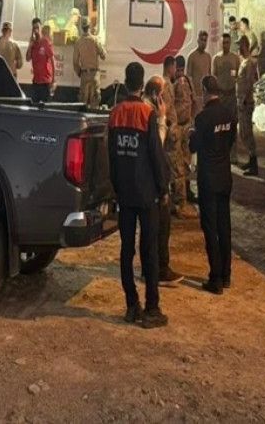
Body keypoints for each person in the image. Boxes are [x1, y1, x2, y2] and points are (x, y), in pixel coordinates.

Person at [108, 62, 170, 327]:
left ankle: (131, 305)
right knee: (149, 250)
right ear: (142, 85)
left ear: (125, 82)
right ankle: (152, 308)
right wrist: (163, 188)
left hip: (125, 193)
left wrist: (116, 188)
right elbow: (156, 155)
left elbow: (112, 156)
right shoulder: (147, 114)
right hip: (147, 194)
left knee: (126, 250)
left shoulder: (115, 114)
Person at [190, 75, 235, 293]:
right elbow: (230, 142)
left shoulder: (203, 118)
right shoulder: (229, 114)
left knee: (210, 227)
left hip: (208, 178)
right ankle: (226, 274)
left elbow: (193, 147)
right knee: (224, 225)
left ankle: (215, 277)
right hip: (225, 176)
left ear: (205, 91)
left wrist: (192, 134)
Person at [145, 75, 181, 284]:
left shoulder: (144, 110)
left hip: (147, 179)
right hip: (154, 180)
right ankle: (160, 269)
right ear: (155, 95)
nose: (167, 98)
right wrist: (162, 120)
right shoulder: (151, 114)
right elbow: (156, 148)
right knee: (161, 225)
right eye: (164, 94)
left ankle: (150, 268)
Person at [171, 55, 197, 215]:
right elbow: (193, 102)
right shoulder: (186, 81)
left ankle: (182, 194)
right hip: (184, 125)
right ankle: (183, 193)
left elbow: (188, 103)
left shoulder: (179, 83)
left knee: (181, 162)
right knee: (183, 161)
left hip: (181, 126)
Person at [236, 36, 260, 176]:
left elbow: (249, 82)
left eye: (239, 45)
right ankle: (251, 160)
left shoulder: (249, 63)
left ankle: (254, 165)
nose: (238, 48)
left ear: (244, 45)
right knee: (243, 133)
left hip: (246, 103)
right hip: (242, 102)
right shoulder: (244, 62)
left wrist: (243, 100)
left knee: (247, 133)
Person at [213, 33, 241, 137]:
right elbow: (214, 76)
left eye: (227, 42)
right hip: (221, 95)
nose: (225, 45)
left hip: (232, 95)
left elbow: (238, 75)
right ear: (220, 44)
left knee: (232, 120)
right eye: (223, 43)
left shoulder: (235, 58)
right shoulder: (216, 59)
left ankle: (232, 142)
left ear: (230, 43)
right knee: (220, 121)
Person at [72, 21, 105, 108]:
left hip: (84, 74)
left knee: (82, 103)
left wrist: (79, 73)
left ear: (81, 28)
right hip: (94, 75)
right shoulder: (95, 40)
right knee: (95, 102)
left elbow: (75, 62)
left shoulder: (78, 42)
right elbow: (103, 56)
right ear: (89, 27)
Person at [26, 22, 54, 102]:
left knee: (45, 105)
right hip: (36, 81)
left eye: (37, 28)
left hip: (45, 81)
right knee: (34, 105)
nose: (36, 30)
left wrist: (53, 79)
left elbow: (52, 61)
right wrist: (30, 46)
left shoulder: (45, 42)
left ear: (40, 29)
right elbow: (28, 58)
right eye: (34, 28)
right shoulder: (33, 44)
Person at [186, 30, 212, 115]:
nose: (203, 43)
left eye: (205, 40)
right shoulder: (192, 56)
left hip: (206, 96)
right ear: (198, 41)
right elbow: (188, 77)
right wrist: (192, 95)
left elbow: (209, 75)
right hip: (195, 96)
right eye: (202, 40)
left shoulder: (208, 57)